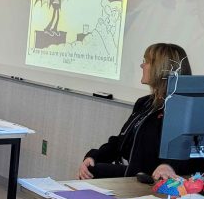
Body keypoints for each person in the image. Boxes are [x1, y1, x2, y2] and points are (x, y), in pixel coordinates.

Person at [78, 42, 195, 181]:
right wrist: (93, 156)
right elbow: (120, 141)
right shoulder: (144, 103)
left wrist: (168, 165)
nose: (142, 66)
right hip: (128, 172)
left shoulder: (182, 109)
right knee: (91, 168)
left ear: (161, 69)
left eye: (146, 62)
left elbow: (187, 149)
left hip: (146, 178)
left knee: (96, 173)